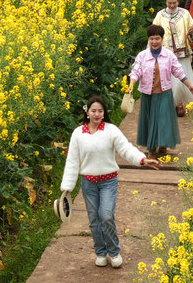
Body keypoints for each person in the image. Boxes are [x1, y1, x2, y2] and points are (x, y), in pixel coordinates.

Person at [60, 95, 161, 269]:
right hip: (88, 183)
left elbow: (126, 149)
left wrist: (143, 160)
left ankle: (114, 252)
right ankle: (100, 252)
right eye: (94, 111)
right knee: (93, 219)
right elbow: (72, 161)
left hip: (108, 182)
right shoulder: (78, 134)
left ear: (104, 112)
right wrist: (67, 187)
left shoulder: (111, 130)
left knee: (106, 216)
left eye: (100, 111)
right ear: (87, 112)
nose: (97, 114)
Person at [128, 24, 193, 159]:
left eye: (157, 39)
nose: (154, 42)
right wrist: (132, 82)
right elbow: (136, 70)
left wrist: (189, 85)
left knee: (164, 121)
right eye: (151, 39)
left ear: (162, 39)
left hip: (165, 93)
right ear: (148, 40)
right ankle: (151, 150)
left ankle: (163, 145)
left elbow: (178, 71)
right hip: (148, 95)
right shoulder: (142, 56)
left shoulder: (168, 55)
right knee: (151, 121)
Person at [152, 0, 193, 117]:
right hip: (165, 53)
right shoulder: (160, 15)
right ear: (165, 2)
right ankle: (169, 104)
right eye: (169, 3)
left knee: (180, 79)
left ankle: (179, 104)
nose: (172, 5)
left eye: (174, 3)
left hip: (181, 53)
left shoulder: (185, 14)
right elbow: (153, 33)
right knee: (166, 79)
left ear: (178, 1)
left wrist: (192, 32)